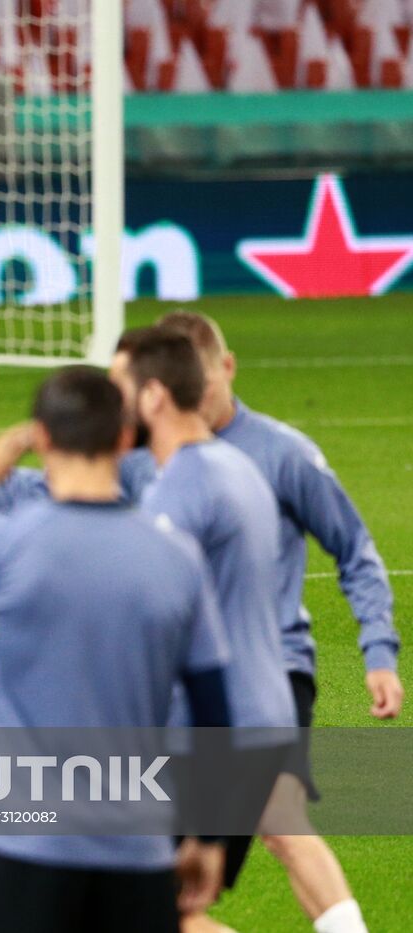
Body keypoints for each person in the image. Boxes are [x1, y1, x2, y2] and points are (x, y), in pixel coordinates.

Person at [0, 367, 232, 932]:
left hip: (25, 842)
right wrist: (211, 836)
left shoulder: (4, 539)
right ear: (126, 439)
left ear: (43, 439)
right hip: (137, 848)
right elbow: (215, 712)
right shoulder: (176, 555)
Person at [155, 310, 397, 933]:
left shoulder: (282, 453)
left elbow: (356, 550)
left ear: (227, 368)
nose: (190, 402)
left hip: (272, 671)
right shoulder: (146, 457)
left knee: (278, 818)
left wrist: (378, 649)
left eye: (200, 386)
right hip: (182, 692)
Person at [114, 326, 299, 930]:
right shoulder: (235, 467)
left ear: (154, 397)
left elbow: (159, 622)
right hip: (251, 721)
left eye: (122, 387)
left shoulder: (182, 489)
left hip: (209, 734)